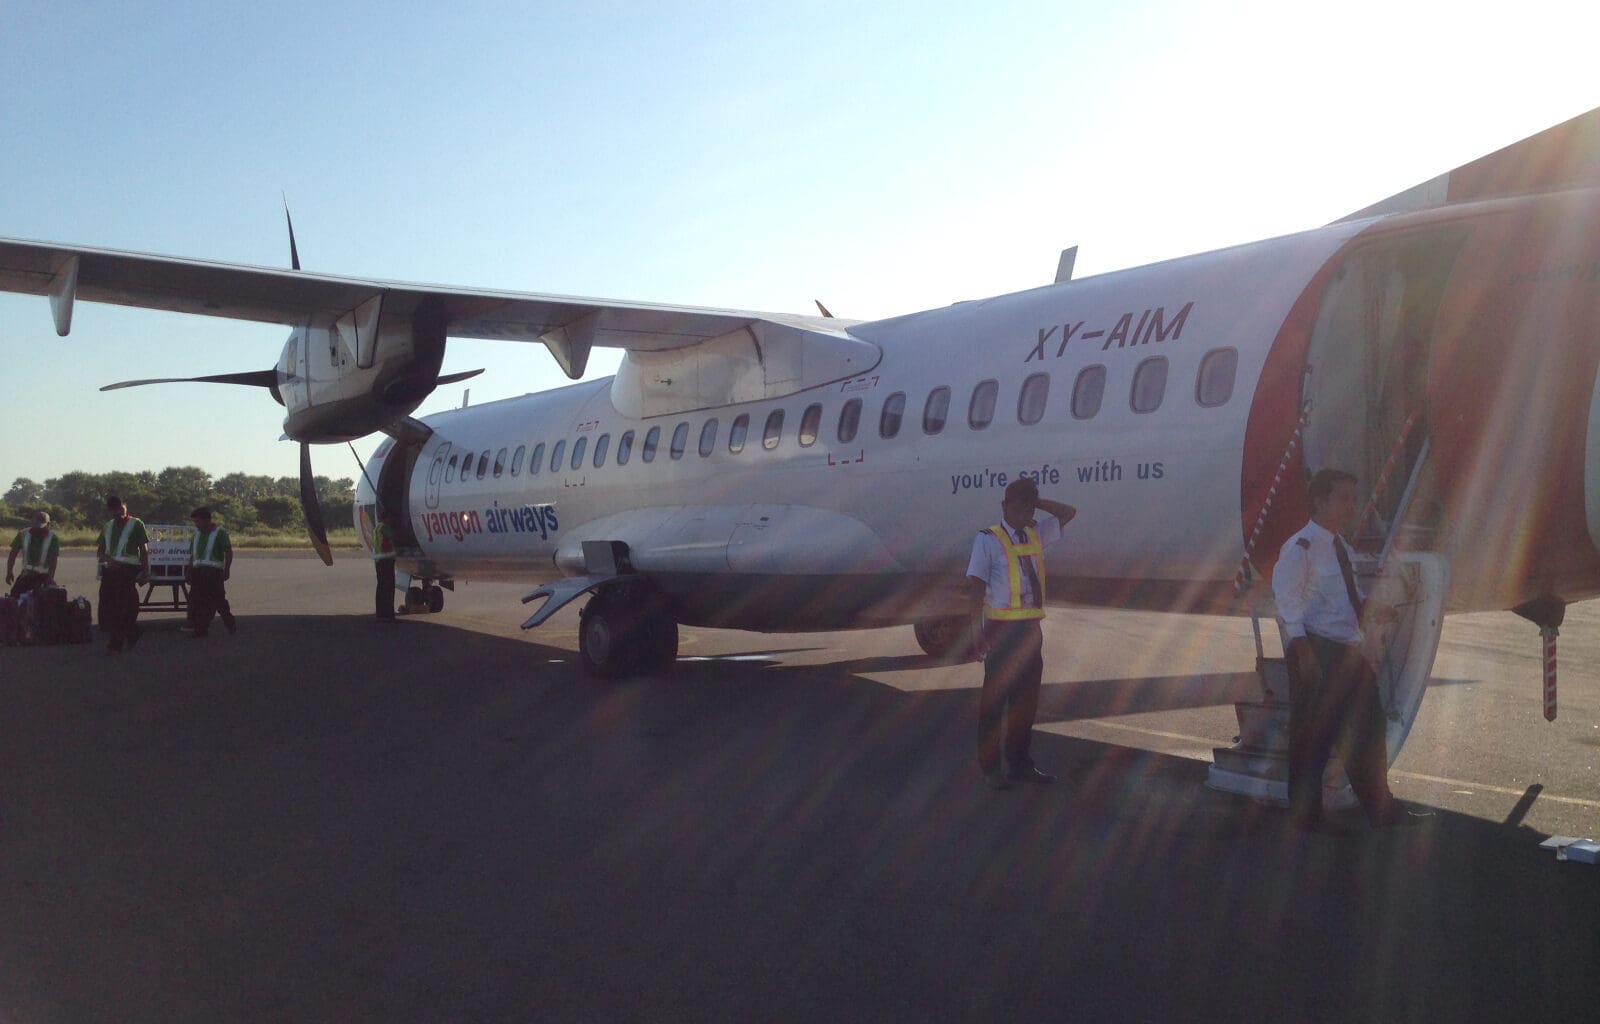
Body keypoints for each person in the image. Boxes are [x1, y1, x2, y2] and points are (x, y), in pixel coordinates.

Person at [1272, 468, 1426, 833]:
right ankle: (1305, 817)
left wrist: (1373, 609)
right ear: (1321, 501)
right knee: (1314, 737)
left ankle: (1381, 808)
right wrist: (1303, 651)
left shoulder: (1343, 548)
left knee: (1368, 729)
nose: (1350, 505)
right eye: (1343, 497)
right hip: (1316, 650)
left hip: (1346, 651)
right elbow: (1287, 602)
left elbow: (1346, 599)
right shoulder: (1301, 548)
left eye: (1353, 498)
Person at [964, 478, 1077, 790]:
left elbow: (1069, 512)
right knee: (994, 705)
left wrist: (1037, 504)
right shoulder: (987, 539)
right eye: (1016, 505)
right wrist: (977, 635)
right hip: (1000, 631)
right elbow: (975, 590)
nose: (1021, 511)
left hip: (1030, 631)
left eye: (1027, 505)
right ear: (1004, 506)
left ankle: (1020, 765)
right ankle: (991, 769)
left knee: (1025, 704)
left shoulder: (1034, 534)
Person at [96, 494, 149, 654]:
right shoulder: (108, 526)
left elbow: (144, 550)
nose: (119, 513)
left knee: (121, 606)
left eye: (121, 509)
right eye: (115, 511)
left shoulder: (136, 523)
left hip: (128, 568)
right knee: (107, 605)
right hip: (111, 569)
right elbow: (100, 551)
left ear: (125, 506)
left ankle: (115, 644)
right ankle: (132, 632)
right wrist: (110, 561)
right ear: (110, 511)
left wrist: (145, 570)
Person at [186, 506, 236, 638]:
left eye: (198, 522)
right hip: (198, 573)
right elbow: (192, 555)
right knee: (195, 601)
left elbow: (229, 552)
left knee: (219, 600)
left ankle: (230, 623)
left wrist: (227, 569)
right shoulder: (196, 534)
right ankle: (200, 628)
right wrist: (189, 571)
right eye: (195, 522)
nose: (196, 525)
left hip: (214, 573)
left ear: (207, 520)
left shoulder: (220, 532)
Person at [7, 511, 60, 599]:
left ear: (48, 524)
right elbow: (13, 554)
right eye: (36, 525)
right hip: (26, 575)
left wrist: (50, 579)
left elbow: (53, 561)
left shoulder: (53, 538)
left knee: (52, 600)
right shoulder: (22, 534)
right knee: (14, 599)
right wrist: (9, 572)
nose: (38, 529)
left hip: (44, 577)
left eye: (41, 527)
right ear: (32, 522)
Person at [372, 508, 398, 621]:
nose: (392, 520)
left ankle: (380, 613)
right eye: (390, 517)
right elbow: (394, 536)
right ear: (386, 517)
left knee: (381, 587)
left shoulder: (377, 527)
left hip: (378, 560)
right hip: (386, 560)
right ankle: (389, 614)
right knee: (389, 588)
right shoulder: (386, 528)